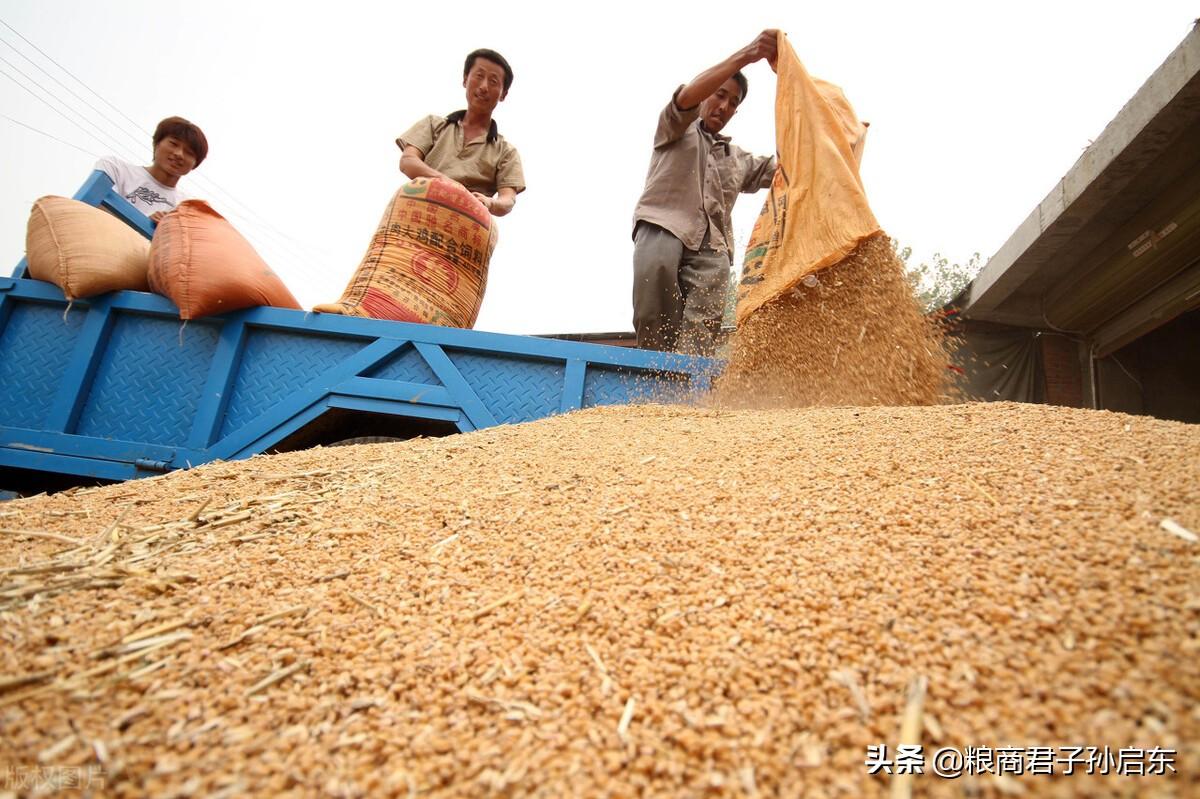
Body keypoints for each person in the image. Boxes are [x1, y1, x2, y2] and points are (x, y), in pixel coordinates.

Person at [631, 31, 779, 355]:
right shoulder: (675, 127)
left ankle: (689, 394)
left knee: (701, 335)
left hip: (712, 249)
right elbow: (684, 97)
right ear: (706, 94)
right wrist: (747, 55)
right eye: (719, 94)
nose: (724, 106)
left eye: (733, 103)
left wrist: (829, 134)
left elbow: (785, 168)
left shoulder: (737, 158)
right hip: (663, 229)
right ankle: (653, 386)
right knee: (653, 319)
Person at [396, 48, 525, 216]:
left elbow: (507, 200)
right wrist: (450, 185)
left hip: (465, 222)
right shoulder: (433, 124)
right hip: (417, 211)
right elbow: (408, 161)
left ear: (503, 94)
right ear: (465, 80)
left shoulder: (506, 152)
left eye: (493, 82)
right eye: (479, 76)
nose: (484, 86)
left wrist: (490, 203)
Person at [94, 116, 207, 223]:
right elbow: (95, 207)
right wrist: (146, 224)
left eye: (189, 153)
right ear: (157, 143)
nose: (179, 154)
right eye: (173, 143)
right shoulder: (116, 168)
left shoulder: (186, 208)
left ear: (195, 164)